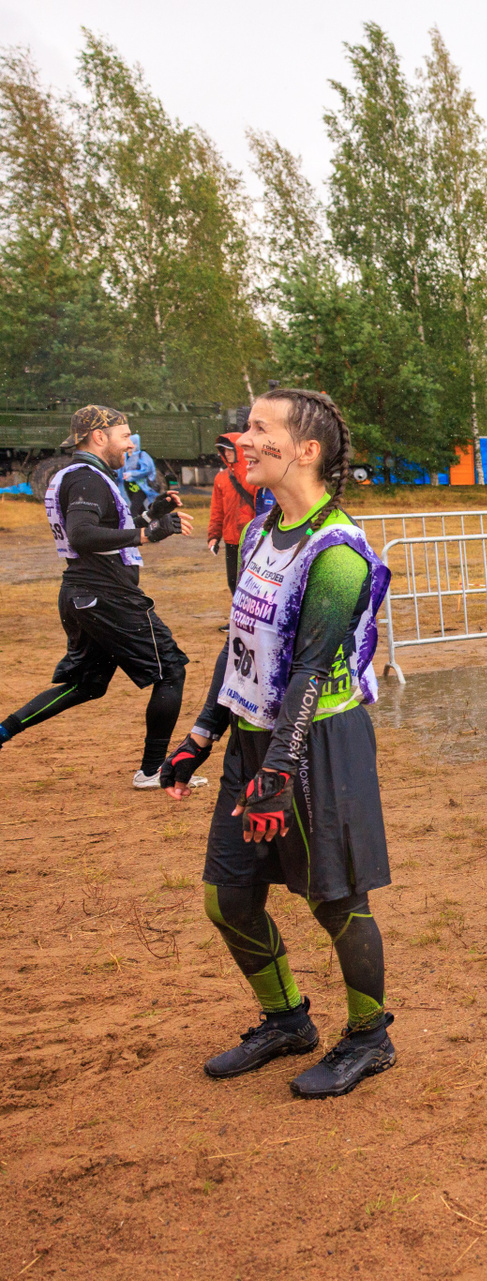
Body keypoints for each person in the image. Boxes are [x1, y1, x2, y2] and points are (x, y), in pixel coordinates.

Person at [157, 387, 398, 1098]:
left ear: (306, 450)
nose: (244, 439)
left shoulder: (338, 552)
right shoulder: (262, 528)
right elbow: (242, 643)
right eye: (246, 427)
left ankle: (370, 1037)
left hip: (317, 744)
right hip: (255, 741)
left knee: (336, 902)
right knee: (228, 897)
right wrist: (202, 733)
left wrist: (279, 770)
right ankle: (288, 1019)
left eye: (261, 428)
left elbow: (309, 670)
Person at [0, 406, 196, 787]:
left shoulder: (82, 476)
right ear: (99, 437)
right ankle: (152, 771)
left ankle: (3, 730)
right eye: (124, 436)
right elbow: (82, 535)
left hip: (84, 593)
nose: (130, 445)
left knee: (86, 684)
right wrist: (147, 535)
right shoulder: (86, 479)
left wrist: (151, 515)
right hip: (107, 596)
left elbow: (106, 530)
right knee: (170, 669)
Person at [207, 433, 258, 597]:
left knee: (252, 583)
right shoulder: (221, 478)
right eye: (224, 450)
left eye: (230, 450)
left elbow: (263, 509)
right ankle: (237, 612)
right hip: (231, 539)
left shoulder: (254, 476)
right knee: (233, 582)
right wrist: (214, 536)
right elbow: (217, 510)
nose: (227, 453)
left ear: (239, 450)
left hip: (252, 539)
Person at [120, 430, 162, 524]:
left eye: (132, 443)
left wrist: (131, 474)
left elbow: (147, 470)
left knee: (134, 509)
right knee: (140, 509)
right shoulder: (125, 455)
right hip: (129, 487)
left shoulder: (142, 455)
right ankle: (147, 525)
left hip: (141, 487)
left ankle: (132, 527)